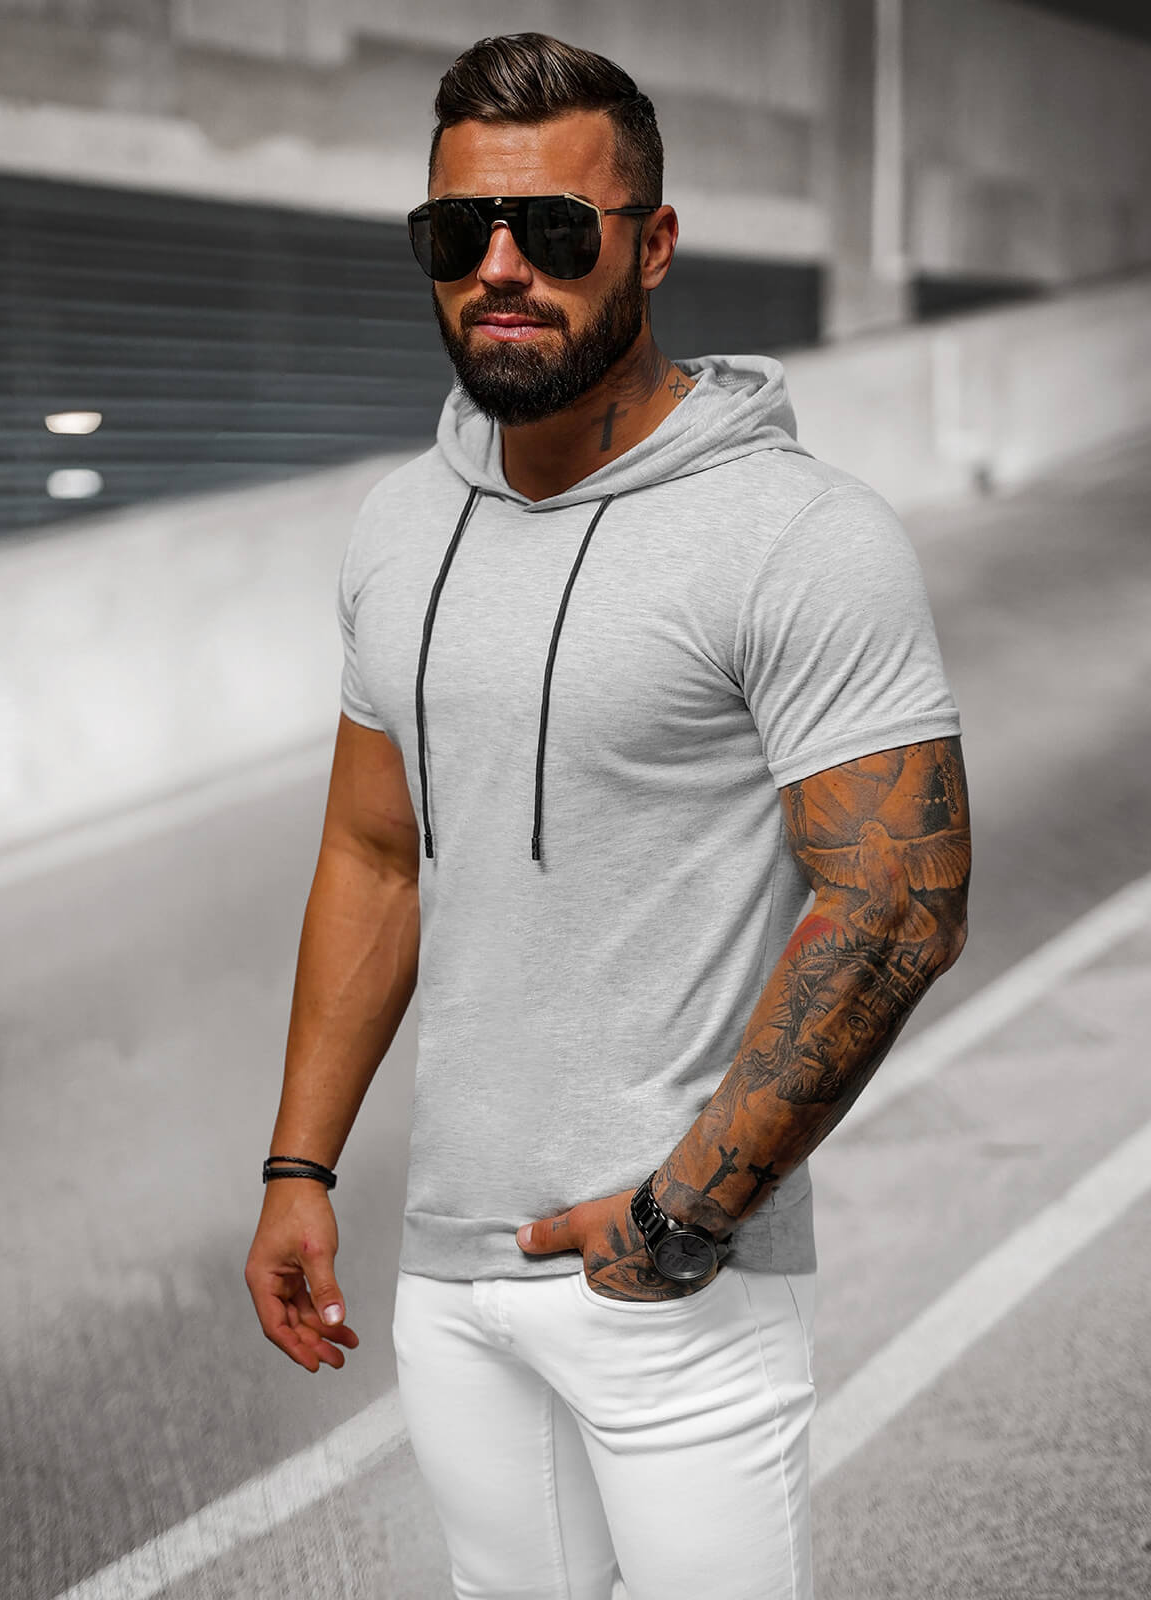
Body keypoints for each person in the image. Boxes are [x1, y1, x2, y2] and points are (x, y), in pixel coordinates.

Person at [244, 30, 970, 1600]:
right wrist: (300, 1168)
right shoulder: (400, 526)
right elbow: (376, 853)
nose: (501, 268)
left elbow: (900, 901)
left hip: (680, 1284)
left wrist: (687, 1212)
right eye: (461, 231)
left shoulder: (796, 533)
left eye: (556, 231)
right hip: (454, 1275)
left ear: (653, 244)